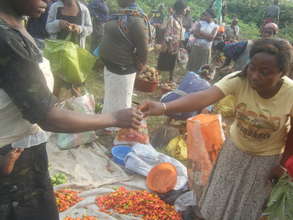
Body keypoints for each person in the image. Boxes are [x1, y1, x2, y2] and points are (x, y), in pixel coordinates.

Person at [0, 0, 143, 219]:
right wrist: (114, 117)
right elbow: (48, 117)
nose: (46, 1)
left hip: (24, 150)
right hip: (10, 160)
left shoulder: (18, 24)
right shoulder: (5, 39)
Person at [141, 38, 293, 220]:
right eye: (252, 67)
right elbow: (204, 97)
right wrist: (164, 107)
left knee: (247, 207)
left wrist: (282, 164)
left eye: (265, 72)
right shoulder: (239, 80)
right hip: (234, 152)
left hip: (265, 161)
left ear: (283, 72)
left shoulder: (290, 93)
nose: (254, 75)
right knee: (217, 200)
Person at [99, 0, 149, 130]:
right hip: (111, 64)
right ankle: (108, 120)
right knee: (111, 95)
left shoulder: (136, 20)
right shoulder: (120, 14)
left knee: (121, 100)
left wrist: (141, 64)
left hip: (123, 66)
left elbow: (143, 48)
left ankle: (118, 127)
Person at [157, 0, 186, 81]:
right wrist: (169, 47)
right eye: (184, 9)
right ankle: (155, 78)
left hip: (175, 46)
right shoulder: (171, 19)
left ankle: (170, 79)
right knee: (162, 63)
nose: (185, 10)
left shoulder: (180, 19)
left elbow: (179, 33)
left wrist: (180, 43)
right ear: (180, 9)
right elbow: (167, 35)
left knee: (172, 63)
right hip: (168, 46)